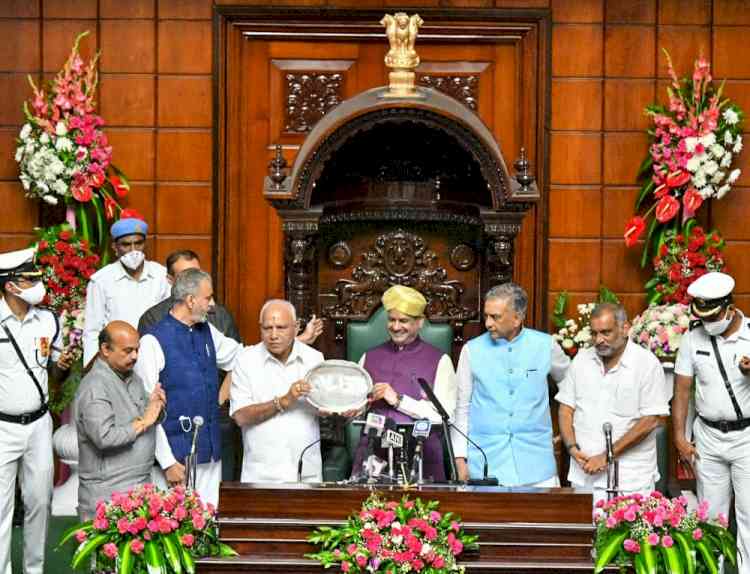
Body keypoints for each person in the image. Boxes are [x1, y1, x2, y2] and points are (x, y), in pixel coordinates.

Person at [134, 268, 241, 507]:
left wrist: (293, 344)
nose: (212, 305)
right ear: (191, 300)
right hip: (175, 459)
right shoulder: (152, 341)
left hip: (209, 454)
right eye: (208, 298)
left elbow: (241, 358)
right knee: (174, 530)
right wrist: (167, 461)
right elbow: (145, 406)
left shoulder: (208, 331)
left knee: (208, 523)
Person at [452, 282, 570, 486]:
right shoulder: (471, 350)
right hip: (485, 462)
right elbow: (462, 408)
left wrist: (567, 429)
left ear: (517, 318)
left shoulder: (545, 345)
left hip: (537, 463)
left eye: (495, 317)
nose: (488, 323)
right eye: (486, 315)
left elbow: (572, 386)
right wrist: (460, 459)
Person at [0, 247, 73, 574]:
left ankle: (34, 569)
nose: (38, 285)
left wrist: (63, 366)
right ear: (11, 286)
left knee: (40, 503)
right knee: (2, 507)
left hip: (40, 424)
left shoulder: (48, 320)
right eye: (30, 280)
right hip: (2, 427)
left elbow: (55, 374)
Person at [555, 303, 669, 507]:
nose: (599, 340)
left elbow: (651, 420)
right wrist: (572, 447)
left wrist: (606, 456)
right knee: (585, 537)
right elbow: (566, 408)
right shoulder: (581, 360)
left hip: (631, 478)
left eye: (606, 332)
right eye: (594, 333)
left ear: (624, 329)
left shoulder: (646, 364)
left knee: (627, 538)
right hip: (585, 474)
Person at [674, 272, 750, 572]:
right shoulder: (693, 338)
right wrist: (680, 437)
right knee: (711, 516)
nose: (707, 322)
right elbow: (681, 390)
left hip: (746, 437)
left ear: (729, 308)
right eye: (701, 315)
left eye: (712, 315)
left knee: (748, 513)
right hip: (708, 436)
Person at [350, 285, 457, 481]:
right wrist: (347, 409)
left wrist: (398, 400)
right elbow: (355, 409)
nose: (396, 326)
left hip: (422, 458)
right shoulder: (368, 357)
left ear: (420, 322)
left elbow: (445, 417)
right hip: (374, 457)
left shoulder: (440, 360)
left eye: (404, 321)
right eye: (392, 320)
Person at [75, 321, 165, 520]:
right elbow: (104, 437)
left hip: (140, 486)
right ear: (105, 349)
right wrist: (144, 421)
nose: (135, 356)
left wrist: (156, 405)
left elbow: (145, 415)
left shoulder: (132, 377)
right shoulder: (94, 386)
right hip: (108, 492)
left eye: (137, 350)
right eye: (128, 351)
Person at [230, 299, 325, 483]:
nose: (273, 335)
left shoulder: (314, 359)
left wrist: (339, 407)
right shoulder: (246, 360)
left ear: (296, 327)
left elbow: (324, 407)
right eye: (267, 328)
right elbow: (240, 416)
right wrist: (283, 401)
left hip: (306, 472)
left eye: (281, 327)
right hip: (261, 473)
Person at [82, 216, 170, 366]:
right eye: (126, 245)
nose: (133, 250)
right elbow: (92, 331)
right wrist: (92, 369)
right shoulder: (101, 281)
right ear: (115, 247)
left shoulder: (161, 276)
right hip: (117, 362)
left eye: (138, 243)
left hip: (155, 358)